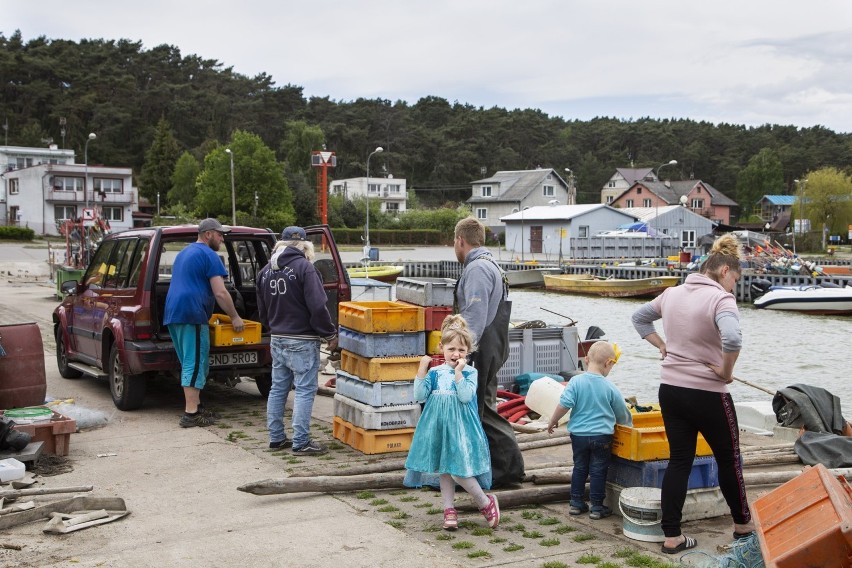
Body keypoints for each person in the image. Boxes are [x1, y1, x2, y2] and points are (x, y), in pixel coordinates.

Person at [631, 233, 755, 554]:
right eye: (735, 280)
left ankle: (672, 536)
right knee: (729, 461)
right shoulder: (721, 299)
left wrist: (662, 346)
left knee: (679, 461)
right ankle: (743, 528)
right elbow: (732, 340)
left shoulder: (671, 294)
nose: (734, 288)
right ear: (726, 271)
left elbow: (639, 317)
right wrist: (726, 373)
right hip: (708, 393)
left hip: (671, 390)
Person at [403, 315, 500, 531]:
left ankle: (485, 502)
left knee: (458, 470)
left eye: (462, 350)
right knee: (444, 469)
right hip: (438, 426)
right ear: (442, 347)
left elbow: (465, 396)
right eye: (451, 349)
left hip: (461, 428)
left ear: (468, 352)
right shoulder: (435, 373)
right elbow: (419, 395)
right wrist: (421, 369)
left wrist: (458, 373)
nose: (456, 354)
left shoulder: (470, 372)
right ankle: (449, 509)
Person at [453, 217, 525, 488]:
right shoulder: (490, 264)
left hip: (481, 348)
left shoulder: (478, 269)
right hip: (492, 345)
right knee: (483, 405)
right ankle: (495, 467)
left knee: (481, 408)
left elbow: (474, 315)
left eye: (454, 243)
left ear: (460, 240)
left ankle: (509, 468)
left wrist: (462, 352)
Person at [256, 226, 338, 455]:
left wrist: (273, 327)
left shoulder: (264, 272)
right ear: (305, 246)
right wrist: (329, 334)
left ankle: (276, 438)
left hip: (277, 337)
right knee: (304, 389)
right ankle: (301, 441)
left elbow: (262, 310)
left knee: (278, 388)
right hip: (301, 339)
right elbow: (317, 306)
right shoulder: (305, 268)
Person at [164, 218, 244, 428]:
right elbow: (220, 292)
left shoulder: (184, 253)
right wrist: (235, 316)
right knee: (194, 361)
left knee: (188, 360)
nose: (221, 239)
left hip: (173, 312)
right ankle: (190, 414)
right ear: (208, 234)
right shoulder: (209, 255)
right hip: (192, 312)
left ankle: (197, 408)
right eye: (219, 234)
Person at [547, 341, 632, 520]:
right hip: (602, 436)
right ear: (609, 363)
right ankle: (597, 507)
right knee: (598, 470)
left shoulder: (576, 382)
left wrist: (553, 421)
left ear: (586, 359)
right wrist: (628, 427)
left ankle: (576, 503)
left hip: (578, 436)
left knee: (579, 467)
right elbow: (622, 412)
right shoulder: (610, 387)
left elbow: (564, 404)